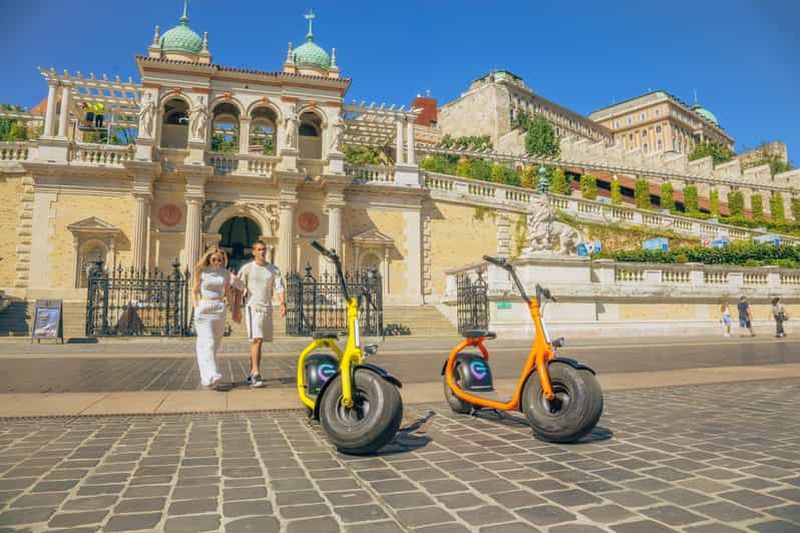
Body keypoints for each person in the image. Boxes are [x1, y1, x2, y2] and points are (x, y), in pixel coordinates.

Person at [235, 241, 286, 388]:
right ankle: (256, 373)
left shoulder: (273, 269)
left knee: (259, 342)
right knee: (257, 339)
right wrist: (237, 309)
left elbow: (279, 287)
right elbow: (238, 288)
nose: (262, 252)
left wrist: (282, 303)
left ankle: (252, 372)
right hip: (253, 307)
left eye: (264, 249)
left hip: (267, 308)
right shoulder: (247, 268)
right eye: (259, 250)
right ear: (253, 252)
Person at [192, 247, 241, 390]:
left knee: (214, 344)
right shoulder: (201, 272)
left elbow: (229, 294)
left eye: (220, 259)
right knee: (209, 342)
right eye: (214, 259)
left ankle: (206, 378)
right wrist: (196, 306)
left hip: (219, 309)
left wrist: (234, 310)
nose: (217, 262)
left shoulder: (225, 274)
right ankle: (213, 374)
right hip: (204, 309)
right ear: (208, 259)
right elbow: (194, 290)